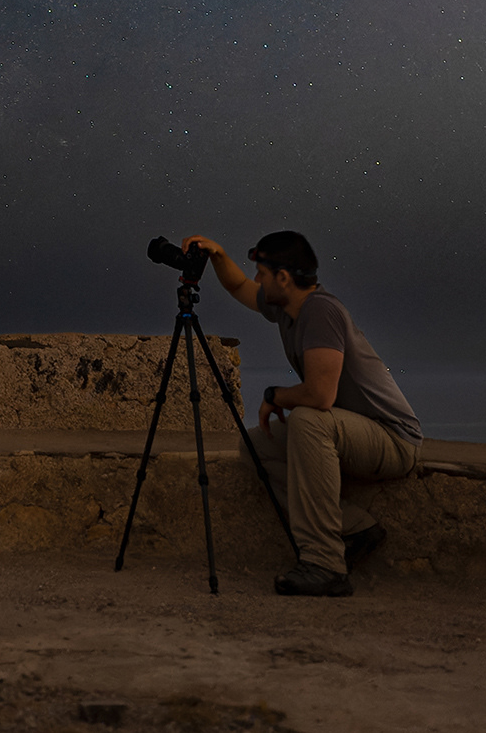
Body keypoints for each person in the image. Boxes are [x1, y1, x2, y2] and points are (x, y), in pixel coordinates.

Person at [181, 228, 422, 597]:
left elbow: (320, 396)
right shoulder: (286, 309)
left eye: (263, 273)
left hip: (391, 437)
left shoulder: (320, 312)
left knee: (309, 420)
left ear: (284, 277)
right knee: (257, 446)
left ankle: (325, 563)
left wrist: (275, 395)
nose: (258, 281)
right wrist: (217, 255)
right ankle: (354, 528)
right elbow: (238, 288)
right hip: (350, 430)